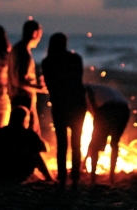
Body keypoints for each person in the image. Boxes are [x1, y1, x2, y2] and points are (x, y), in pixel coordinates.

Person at [42, 33, 86, 188]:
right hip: (78, 104)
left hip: (60, 104)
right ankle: (75, 176)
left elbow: (49, 85)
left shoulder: (47, 62)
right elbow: (78, 81)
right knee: (76, 143)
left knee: (62, 143)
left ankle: (62, 177)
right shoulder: (76, 59)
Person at [0, 106, 52, 182]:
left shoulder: (1, 132)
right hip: (16, 174)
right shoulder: (28, 134)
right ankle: (49, 178)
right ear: (25, 119)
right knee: (37, 154)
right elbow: (46, 149)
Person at [84, 83, 130, 184]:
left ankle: (92, 178)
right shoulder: (102, 89)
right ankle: (111, 178)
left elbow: (90, 94)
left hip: (107, 108)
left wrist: (95, 110)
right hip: (124, 108)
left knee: (96, 145)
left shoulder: (84, 88)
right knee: (114, 143)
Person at [7, 19, 47, 134]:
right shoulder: (23, 53)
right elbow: (19, 81)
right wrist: (39, 88)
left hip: (17, 97)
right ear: (34, 33)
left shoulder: (16, 49)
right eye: (39, 34)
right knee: (24, 134)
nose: (40, 38)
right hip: (22, 99)